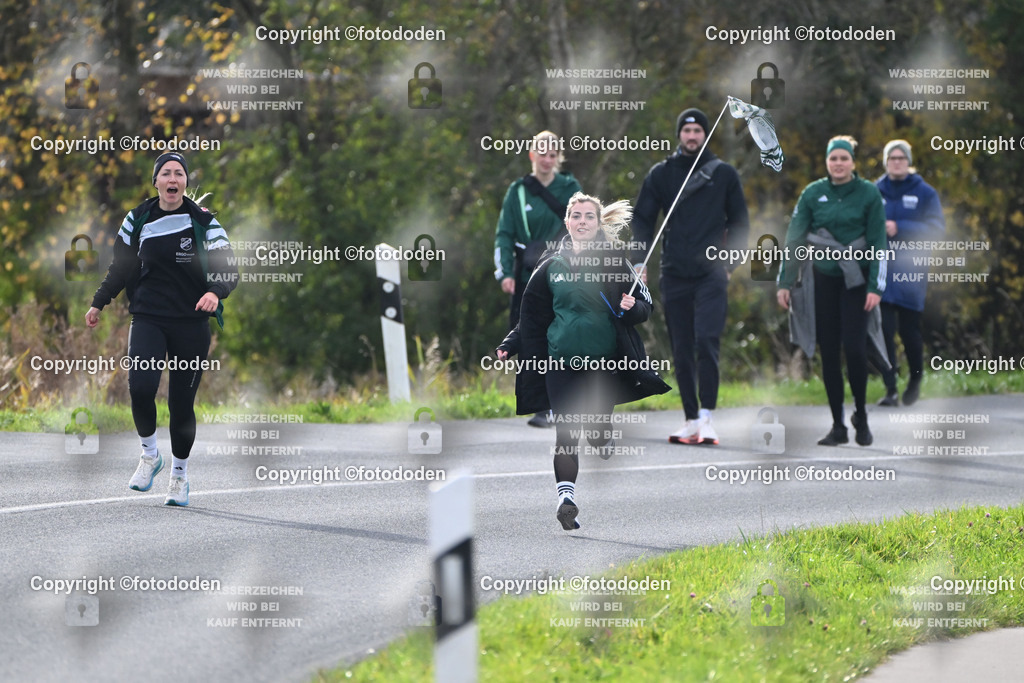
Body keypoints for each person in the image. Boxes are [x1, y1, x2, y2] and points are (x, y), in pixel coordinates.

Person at [496, 192, 666, 531]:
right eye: (576, 216)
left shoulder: (615, 261)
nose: (582, 222)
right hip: (560, 363)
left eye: (589, 216)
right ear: (568, 222)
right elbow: (533, 315)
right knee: (566, 432)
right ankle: (566, 500)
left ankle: (603, 437)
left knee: (597, 431)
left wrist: (635, 308)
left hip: (604, 365)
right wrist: (511, 343)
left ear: (597, 222)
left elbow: (644, 307)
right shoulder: (550, 264)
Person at [86, 152, 238, 506]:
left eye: (179, 174)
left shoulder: (204, 222)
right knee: (140, 388)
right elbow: (120, 268)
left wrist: (215, 293)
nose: (173, 179)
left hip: (191, 323)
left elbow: (228, 268)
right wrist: (99, 301)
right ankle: (150, 455)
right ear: (155, 182)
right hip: (148, 317)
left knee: (181, 403)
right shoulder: (137, 218)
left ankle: (179, 476)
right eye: (166, 173)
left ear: (185, 182)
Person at [633, 107, 749, 445]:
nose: (692, 136)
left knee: (706, 341)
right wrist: (639, 261)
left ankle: (708, 418)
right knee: (681, 348)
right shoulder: (662, 174)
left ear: (705, 135)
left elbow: (741, 223)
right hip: (674, 272)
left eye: (698, 130)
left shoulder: (724, 174)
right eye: (687, 130)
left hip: (712, 273)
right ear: (679, 134)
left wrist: (730, 263)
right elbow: (642, 219)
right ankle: (690, 419)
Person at [777, 136, 887, 446]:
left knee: (853, 349)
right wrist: (785, 282)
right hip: (822, 279)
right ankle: (838, 425)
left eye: (844, 158)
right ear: (827, 162)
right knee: (828, 354)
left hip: (856, 282)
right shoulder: (813, 193)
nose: (838, 163)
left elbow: (879, 243)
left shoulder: (869, 194)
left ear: (853, 162)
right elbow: (795, 238)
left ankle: (861, 416)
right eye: (833, 159)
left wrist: (876, 286)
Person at [493, 130, 582, 428]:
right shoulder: (518, 191)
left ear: (558, 158)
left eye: (552, 154)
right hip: (527, 274)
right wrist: (505, 272)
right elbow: (504, 234)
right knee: (530, 336)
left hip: (562, 271)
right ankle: (540, 405)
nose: (547, 159)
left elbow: (583, 227)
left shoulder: (570, 187)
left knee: (563, 333)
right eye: (542, 153)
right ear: (532, 155)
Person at [873, 140, 945, 406]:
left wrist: (900, 226)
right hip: (881, 272)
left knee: (909, 332)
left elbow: (937, 229)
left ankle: (915, 378)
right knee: (883, 331)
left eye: (901, 158)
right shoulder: (873, 191)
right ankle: (890, 388)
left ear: (909, 161)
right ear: (885, 162)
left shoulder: (925, 193)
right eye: (892, 158)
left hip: (910, 273)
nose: (896, 162)